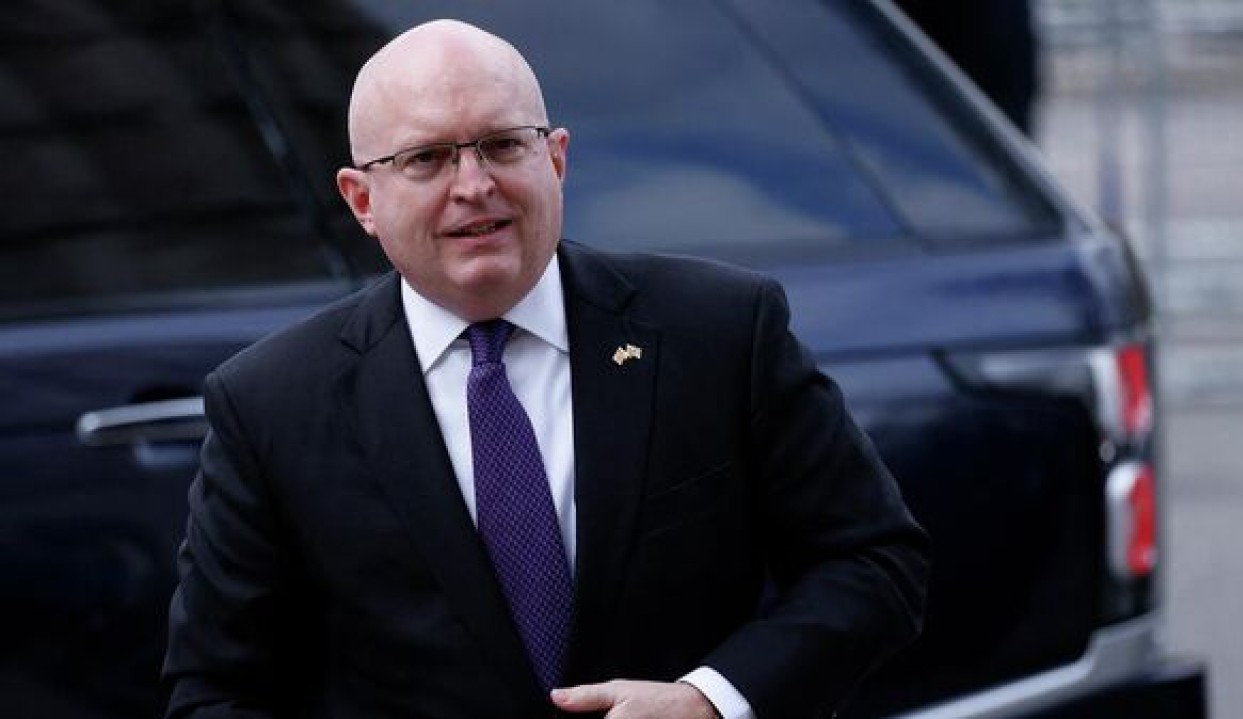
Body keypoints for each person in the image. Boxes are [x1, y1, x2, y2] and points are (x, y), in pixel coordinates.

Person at [162, 19, 929, 719]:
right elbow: (216, 690)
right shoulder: (272, 403)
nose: (474, 186)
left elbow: (872, 562)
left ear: (555, 158)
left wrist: (711, 699)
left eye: (503, 145)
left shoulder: (719, 330)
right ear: (362, 198)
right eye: (427, 159)